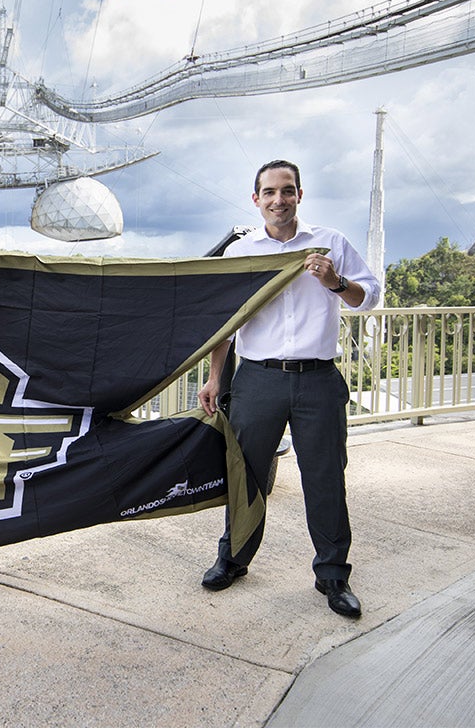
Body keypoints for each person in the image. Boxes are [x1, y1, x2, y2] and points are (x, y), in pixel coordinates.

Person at [196, 159, 381, 618]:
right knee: (247, 475)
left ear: (300, 194)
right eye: (270, 192)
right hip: (257, 379)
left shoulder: (330, 244)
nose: (279, 199)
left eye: (288, 190)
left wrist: (335, 282)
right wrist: (216, 377)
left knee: (325, 478)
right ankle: (233, 559)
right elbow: (225, 324)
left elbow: (371, 296)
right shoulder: (241, 253)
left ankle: (333, 575)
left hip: (318, 379)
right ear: (255, 198)